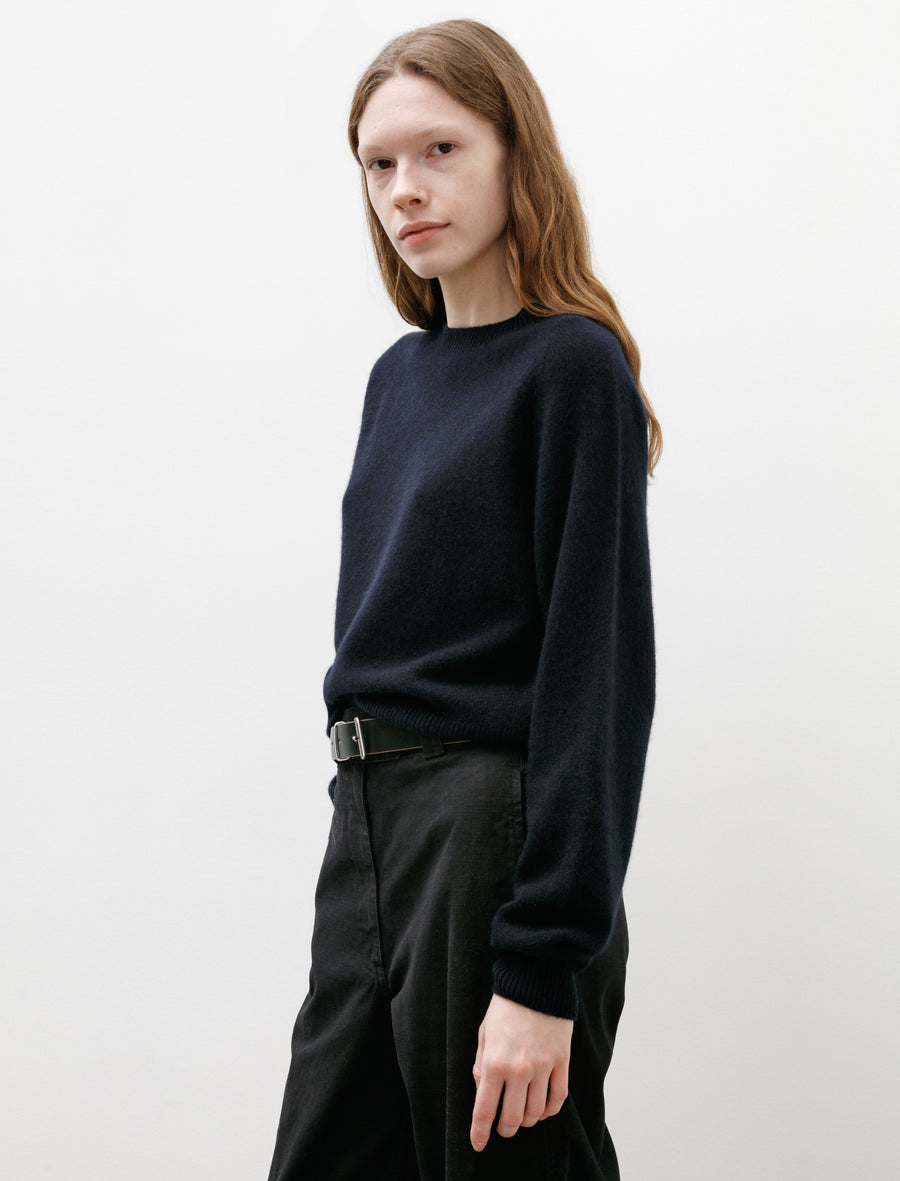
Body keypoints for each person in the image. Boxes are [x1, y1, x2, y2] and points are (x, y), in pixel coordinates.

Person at [266, 18, 660, 1181]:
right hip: (367, 825)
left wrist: (540, 965)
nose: (405, 188)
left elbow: (598, 674)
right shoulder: (397, 379)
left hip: (490, 834)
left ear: (514, 154)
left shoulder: (572, 365)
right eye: (379, 163)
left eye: (440, 149)